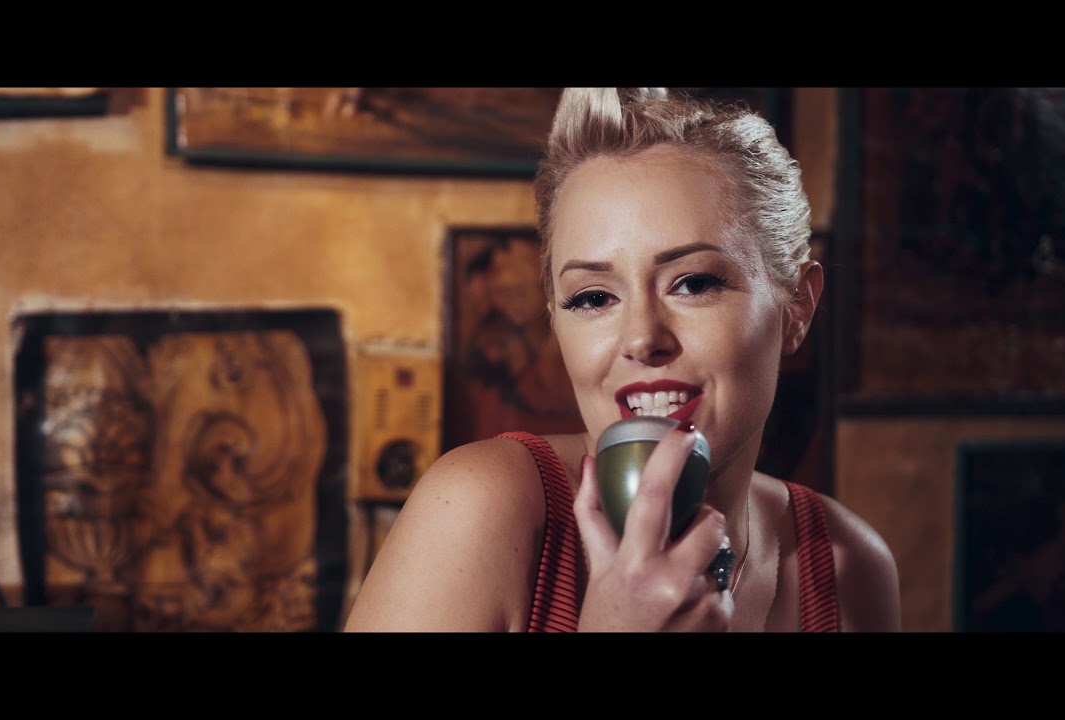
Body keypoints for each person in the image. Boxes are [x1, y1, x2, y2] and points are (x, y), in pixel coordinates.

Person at [343, 88, 902, 632]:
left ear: (797, 307)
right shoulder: (478, 509)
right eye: (593, 298)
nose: (641, 338)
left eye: (694, 283)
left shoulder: (850, 568)